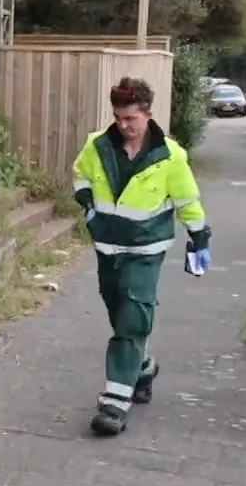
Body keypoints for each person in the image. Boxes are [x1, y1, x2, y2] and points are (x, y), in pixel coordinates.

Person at [72, 76, 211, 437]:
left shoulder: (171, 157)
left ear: (148, 114)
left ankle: (115, 402)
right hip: (108, 249)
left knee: (133, 313)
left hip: (146, 252)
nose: (123, 126)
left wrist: (200, 237)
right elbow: (80, 177)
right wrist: (89, 209)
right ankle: (144, 367)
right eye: (118, 118)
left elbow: (187, 202)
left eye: (130, 119)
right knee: (120, 313)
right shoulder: (97, 146)